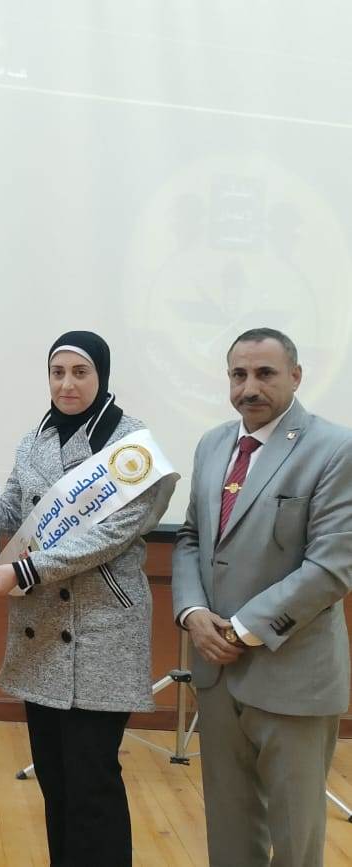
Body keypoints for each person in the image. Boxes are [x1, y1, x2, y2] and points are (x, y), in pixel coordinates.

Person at [0, 331, 173, 867]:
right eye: (57, 373)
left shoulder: (131, 443)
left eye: (80, 372)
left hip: (102, 630)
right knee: (54, 778)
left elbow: (110, 536)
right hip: (40, 630)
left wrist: (26, 569)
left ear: (102, 375)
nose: (67, 384)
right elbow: (11, 511)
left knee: (92, 779)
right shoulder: (35, 440)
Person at [172, 327, 352, 867]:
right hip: (216, 671)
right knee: (229, 832)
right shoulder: (212, 444)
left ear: (296, 376)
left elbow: (332, 565)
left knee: (295, 840)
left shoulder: (335, 448)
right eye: (239, 374)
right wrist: (193, 613)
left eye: (265, 374)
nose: (249, 387)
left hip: (292, 674)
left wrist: (243, 628)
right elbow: (191, 538)